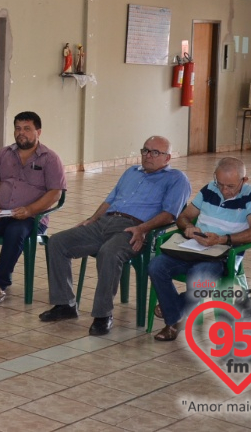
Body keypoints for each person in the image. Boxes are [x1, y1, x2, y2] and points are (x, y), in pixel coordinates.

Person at [39, 135, 191, 335]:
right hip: (104, 222)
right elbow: (110, 200)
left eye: (155, 152)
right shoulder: (131, 172)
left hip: (135, 229)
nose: (148, 156)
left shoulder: (176, 179)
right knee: (58, 242)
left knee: (109, 253)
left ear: (167, 158)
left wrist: (143, 229)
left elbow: (170, 214)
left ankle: (103, 315)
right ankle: (65, 305)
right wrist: (92, 219)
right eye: (145, 150)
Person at [148, 157, 251, 341]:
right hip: (193, 247)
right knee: (156, 265)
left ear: (244, 180)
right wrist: (188, 227)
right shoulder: (210, 188)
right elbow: (184, 217)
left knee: (200, 275)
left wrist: (223, 239)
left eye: (230, 186)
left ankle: (172, 318)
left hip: (223, 254)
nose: (224, 191)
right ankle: (177, 315)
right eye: (220, 184)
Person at [0, 112, 66, 307]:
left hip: (31, 219)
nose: (21, 133)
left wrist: (29, 210)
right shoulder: (4, 153)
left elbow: (55, 194)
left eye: (27, 129)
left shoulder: (50, 158)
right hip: (1, 213)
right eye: (18, 128)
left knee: (14, 232)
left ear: (38, 132)